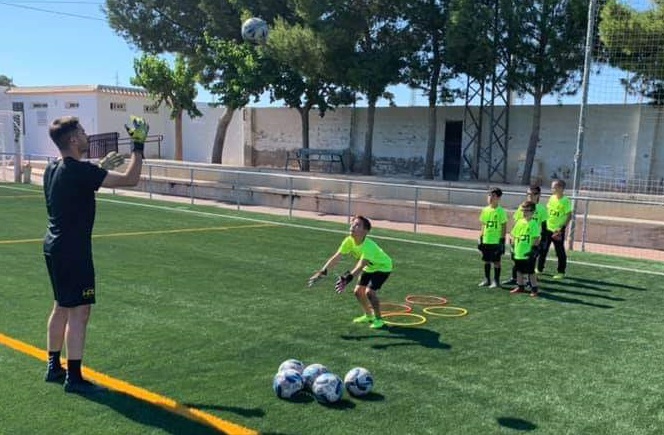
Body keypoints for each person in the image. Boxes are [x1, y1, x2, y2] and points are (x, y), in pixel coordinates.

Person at [43, 115, 148, 394]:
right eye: (83, 131)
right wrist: (138, 146)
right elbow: (131, 179)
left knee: (61, 306)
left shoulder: (52, 169)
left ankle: (54, 366)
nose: (88, 135)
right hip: (73, 250)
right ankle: (74, 378)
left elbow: (73, 183)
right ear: (74, 139)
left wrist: (99, 169)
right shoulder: (81, 171)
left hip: (53, 245)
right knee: (80, 312)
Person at [308, 215, 393, 330]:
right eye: (352, 224)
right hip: (370, 267)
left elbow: (360, 265)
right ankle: (369, 316)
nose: (352, 226)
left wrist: (347, 278)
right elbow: (336, 257)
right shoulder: (348, 241)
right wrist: (322, 272)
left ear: (365, 231)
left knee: (370, 292)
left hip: (383, 267)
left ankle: (379, 320)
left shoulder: (369, 246)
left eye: (357, 225)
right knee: (358, 292)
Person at [503, 185, 548, 286]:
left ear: (539, 195)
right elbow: (516, 223)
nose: (530, 196)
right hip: (520, 239)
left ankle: (530, 281)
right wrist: (512, 238)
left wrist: (543, 242)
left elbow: (544, 227)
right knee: (516, 259)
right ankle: (515, 278)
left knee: (531, 260)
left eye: (533, 194)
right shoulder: (521, 207)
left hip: (533, 240)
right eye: (528, 194)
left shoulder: (541, 209)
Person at [537, 179, 572, 279]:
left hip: (558, 230)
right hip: (547, 228)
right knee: (543, 249)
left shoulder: (565, 201)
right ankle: (539, 269)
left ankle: (561, 272)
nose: (552, 189)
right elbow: (548, 211)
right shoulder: (551, 198)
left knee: (559, 251)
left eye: (554, 187)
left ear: (560, 188)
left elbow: (569, 215)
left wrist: (561, 228)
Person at [508, 201, 542, 297]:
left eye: (527, 210)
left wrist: (534, 249)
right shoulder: (519, 222)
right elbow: (513, 235)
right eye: (523, 210)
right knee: (519, 270)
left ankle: (534, 288)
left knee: (530, 271)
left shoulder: (533, 224)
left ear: (533, 211)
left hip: (527, 252)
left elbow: (536, 238)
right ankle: (520, 286)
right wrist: (512, 247)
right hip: (518, 251)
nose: (525, 212)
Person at [477, 187, 508, 288]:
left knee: (496, 261)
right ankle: (487, 279)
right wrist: (481, 237)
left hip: (496, 241)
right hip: (486, 239)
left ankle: (496, 281)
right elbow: (483, 224)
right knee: (486, 260)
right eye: (489, 195)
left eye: (493, 196)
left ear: (498, 198)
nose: (490, 197)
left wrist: (502, 240)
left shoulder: (501, 211)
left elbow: (504, 226)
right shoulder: (485, 210)